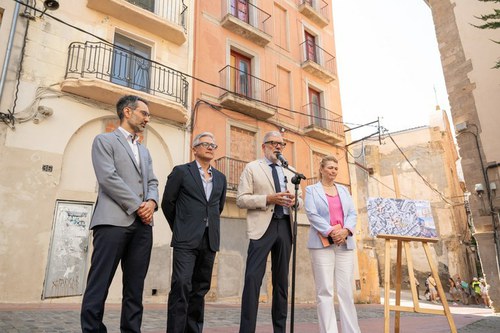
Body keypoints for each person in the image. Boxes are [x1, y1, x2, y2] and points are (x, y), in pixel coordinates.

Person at [81, 95, 159, 333]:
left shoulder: (144, 151)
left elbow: (153, 181)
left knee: (135, 289)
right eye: (144, 113)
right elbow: (108, 178)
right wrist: (138, 205)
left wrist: (153, 203)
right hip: (112, 222)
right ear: (128, 111)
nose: (147, 118)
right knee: (99, 284)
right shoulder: (104, 140)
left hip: (143, 227)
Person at [237, 131, 303, 333]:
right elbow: (241, 199)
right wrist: (268, 199)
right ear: (264, 146)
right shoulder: (252, 168)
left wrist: (295, 201)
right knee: (252, 279)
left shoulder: (290, 171)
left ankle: (280, 330)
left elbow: (300, 201)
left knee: (282, 282)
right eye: (273, 143)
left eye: (281, 144)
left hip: (284, 226)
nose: (278, 147)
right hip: (262, 228)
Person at [161, 132, 227, 333]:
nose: (210, 148)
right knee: (181, 285)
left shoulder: (220, 178)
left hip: (209, 240)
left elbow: (218, 207)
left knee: (200, 289)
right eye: (205, 144)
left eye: (213, 145)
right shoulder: (181, 172)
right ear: (195, 148)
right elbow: (167, 203)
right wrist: (181, 227)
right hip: (185, 240)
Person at [305, 155, 361, 333]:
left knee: (345, 291)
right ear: (321, 169)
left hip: (344, 243)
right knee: (325, 291)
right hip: (321, 244)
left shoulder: (344, 191)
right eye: (330, 167)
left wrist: (346, 231)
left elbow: (352, 213)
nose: (333, 171)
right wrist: (331, 231)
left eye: (336, 168)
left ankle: (351, 330)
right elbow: (312, 214)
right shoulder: (311, 190)